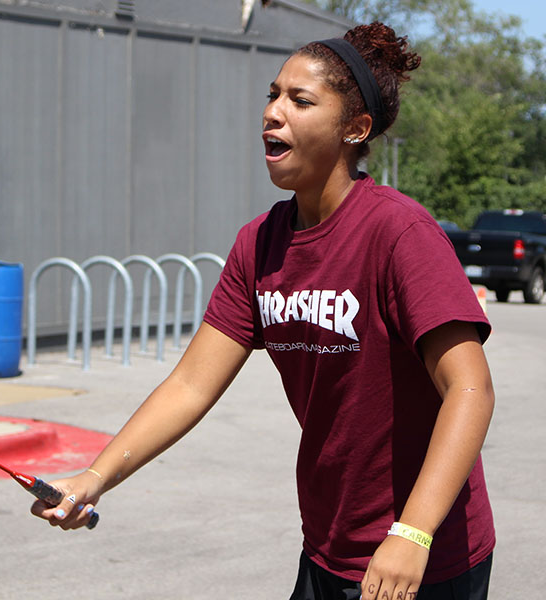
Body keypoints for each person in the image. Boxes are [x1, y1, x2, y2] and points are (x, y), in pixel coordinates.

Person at [31, 21, 496, 600]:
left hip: (423, 558)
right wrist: (95, 478)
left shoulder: (400, 233)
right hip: (328, 543)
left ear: (355, 128)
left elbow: (471, 390)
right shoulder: (259, 244)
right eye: (272, 95)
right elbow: (190, 386)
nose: (273, 112)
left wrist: (415, 533)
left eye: (300, 101)